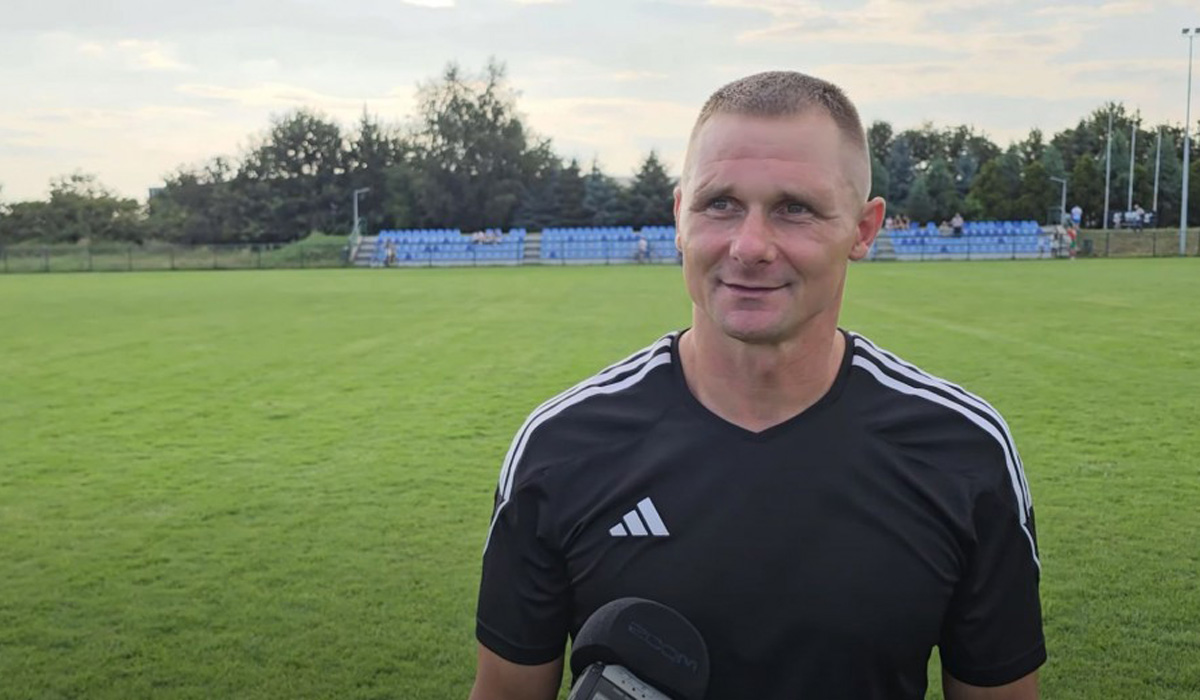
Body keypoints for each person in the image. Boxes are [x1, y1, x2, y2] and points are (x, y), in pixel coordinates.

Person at [470, 71, 1045, 700]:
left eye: (794, 208)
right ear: (679, 216)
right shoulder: (560, 448)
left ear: (863, 229)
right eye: (720, 204)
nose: (749, 246)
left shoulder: (962, 451)